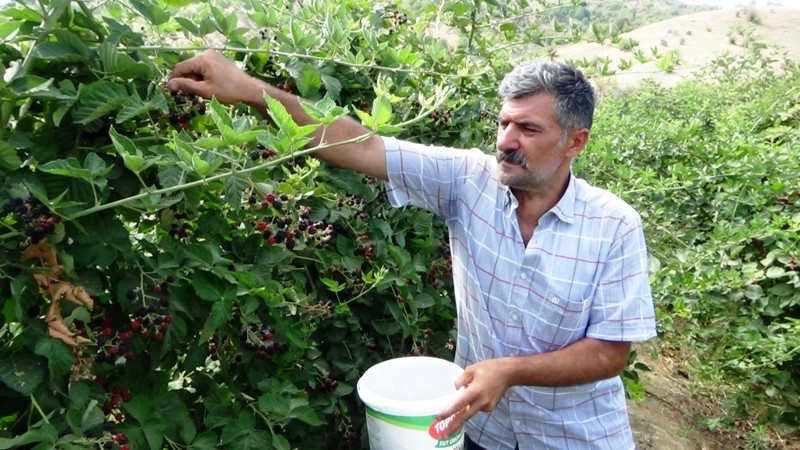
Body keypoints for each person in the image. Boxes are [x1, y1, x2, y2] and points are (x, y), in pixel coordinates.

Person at [167, 50, 657, 450]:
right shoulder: (469, 180)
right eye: (504, 123)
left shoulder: (613, 226)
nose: (506, 142)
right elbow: (359, 145)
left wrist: (511, 371)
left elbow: (609, 354)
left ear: (576, 142)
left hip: (575, 438)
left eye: (528, 130)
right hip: (482, 432)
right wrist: (250, 91)